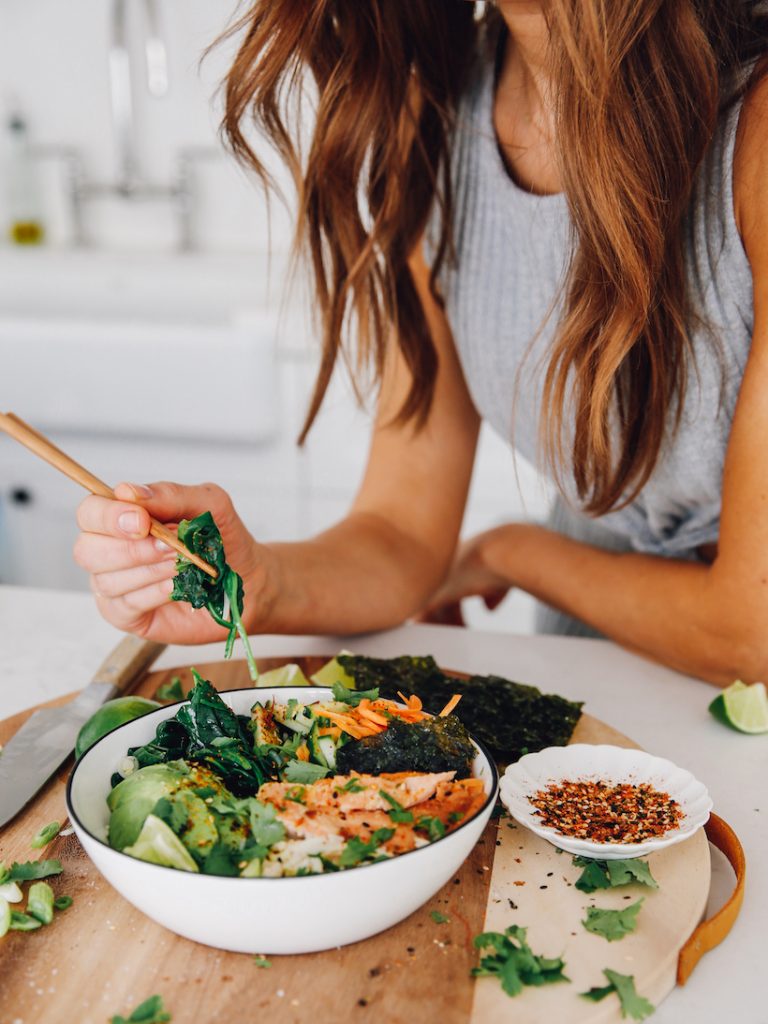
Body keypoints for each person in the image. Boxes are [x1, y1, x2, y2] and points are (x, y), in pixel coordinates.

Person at [73, 1, 768, 687]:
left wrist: (514, 552)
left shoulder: (755, 122)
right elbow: (401, 530)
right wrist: (259, 584)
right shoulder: (437, 107)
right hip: (602, 648)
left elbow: (750, 634)